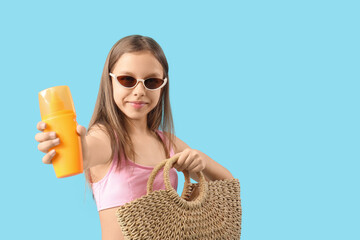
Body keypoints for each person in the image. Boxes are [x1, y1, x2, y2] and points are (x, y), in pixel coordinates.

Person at [35, 35, 234, 240]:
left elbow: (228, 184)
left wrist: (198, 160)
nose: (139, 91)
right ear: (110, 81)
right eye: (127, 80)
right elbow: (85, 154)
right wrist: (66, 145)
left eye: (151, 81)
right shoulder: (106, 138)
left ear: (163, 85)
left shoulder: (168, 142)